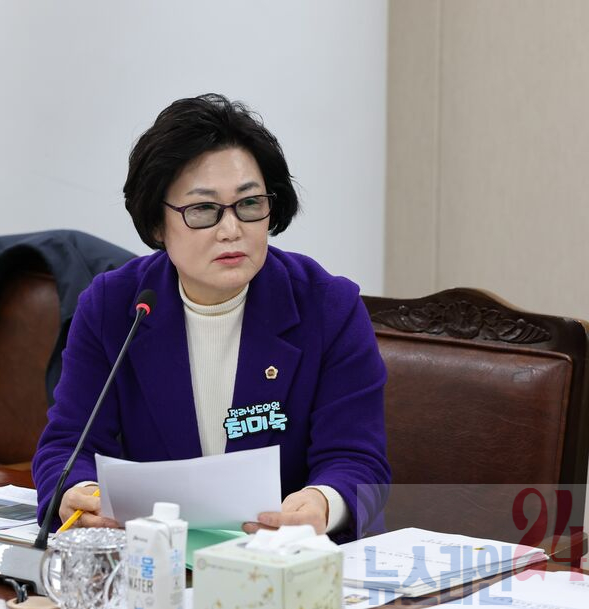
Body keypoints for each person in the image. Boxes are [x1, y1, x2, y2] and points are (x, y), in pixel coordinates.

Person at [32, 93, 389, 542]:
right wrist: (78, 494)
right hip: (155, 559)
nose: (231, 229)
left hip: (281, 561)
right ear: (157, 224)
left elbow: (358, 461)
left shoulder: (328, 308)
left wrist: (323, 502)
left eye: (250, 204)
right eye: (203, 210)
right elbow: (69, 446)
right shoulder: (115, 306)